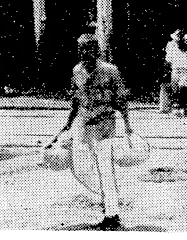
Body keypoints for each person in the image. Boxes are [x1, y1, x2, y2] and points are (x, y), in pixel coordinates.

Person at [51, 33, 133, 231]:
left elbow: (121, 100)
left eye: (89, 48)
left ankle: (112, 214)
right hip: (83, 123)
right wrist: (67, 125)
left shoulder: (110, 70)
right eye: (81, 49)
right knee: (80, 167)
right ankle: (107, 194)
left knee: (105, 168)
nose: (85, 52)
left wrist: (127, 126)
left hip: (105, 124)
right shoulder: (77, 70)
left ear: (97, 50)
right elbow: (76, 101)